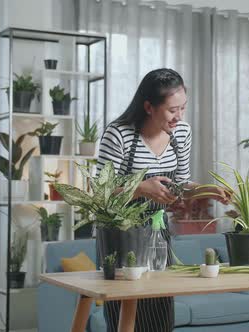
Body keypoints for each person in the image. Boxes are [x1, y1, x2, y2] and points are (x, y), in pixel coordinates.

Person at [96, 68, 228, 331]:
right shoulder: (119, 134)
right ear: (149, 107)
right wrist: (140, 188)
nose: (179, 116)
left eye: (183, 108)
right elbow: (100, 192)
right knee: (125, 317)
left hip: (157, 232)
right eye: (172, 110)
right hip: (119, 235)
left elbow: (180, 185)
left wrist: (206, 190)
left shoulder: (181, 133)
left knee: (159, 313)